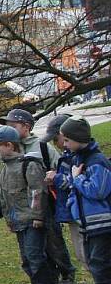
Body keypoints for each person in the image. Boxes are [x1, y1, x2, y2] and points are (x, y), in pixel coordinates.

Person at [0, 108, 76, 284]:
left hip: (46, 202)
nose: (10, 128)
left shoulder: (42, 146)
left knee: (54, 243)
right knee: (34, 250)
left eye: (13, 124)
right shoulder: (9, 155)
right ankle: (50, 280)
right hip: (25, 209)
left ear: (26, 127)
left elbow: (61, 167)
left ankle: (67, 273)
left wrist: (52, 176)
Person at [57, 117, 111, 284]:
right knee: (94, 260)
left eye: (67, 140)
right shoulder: (79, 159)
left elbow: (98, 191)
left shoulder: (96, 161)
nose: (64, 144)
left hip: (101, 222)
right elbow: (75, 189)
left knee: (100, 262)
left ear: (78, 139)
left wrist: (77, 178)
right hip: (88, 222)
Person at [0, 125, 58, 284]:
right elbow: (4, 197)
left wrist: (37, 216)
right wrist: (9, 220)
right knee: (26, 259)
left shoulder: (29, 164)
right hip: (18, 222)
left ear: (9, 145)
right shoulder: (4, 170)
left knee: (34, 255)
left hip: (32, 221)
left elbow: (37, 191)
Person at [43, 114, 88, 271]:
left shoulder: (80, 157)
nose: (57, 144)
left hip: (83, 213)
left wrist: (57, 178)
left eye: (57, 139)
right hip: (72, 212)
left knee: (88, 255)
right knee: (82, 254)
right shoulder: (68, 155)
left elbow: (75, 182)